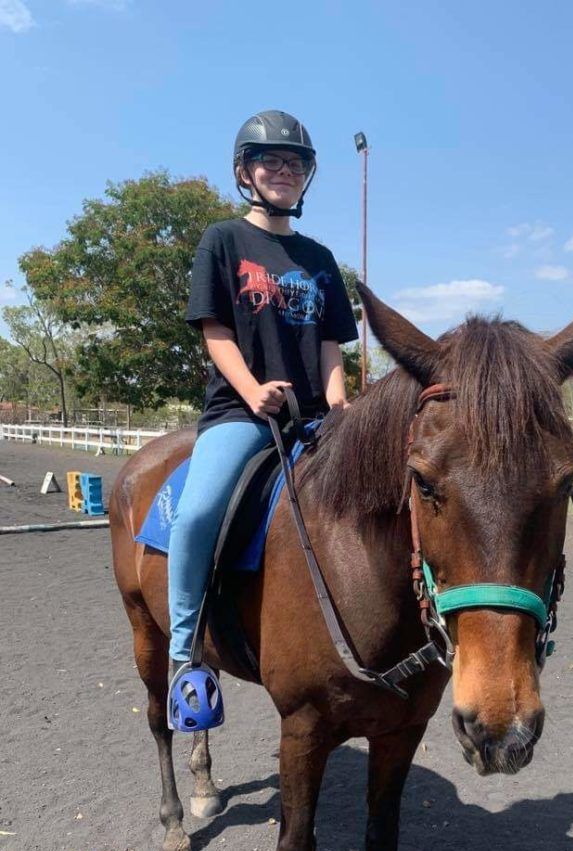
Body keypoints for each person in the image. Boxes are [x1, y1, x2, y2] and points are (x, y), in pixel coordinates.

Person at [166, 110, 358, 730]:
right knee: (197, 514)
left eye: (295, 164)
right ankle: (185, 656)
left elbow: (331, 343)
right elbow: (214, 330)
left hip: (313, 416)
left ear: (306, 179)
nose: (283, 171)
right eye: (270, 161)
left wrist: (340, 407)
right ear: (245, 172)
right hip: (241, 411)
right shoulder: (223, 240)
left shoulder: (321, 257)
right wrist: (252, 392)